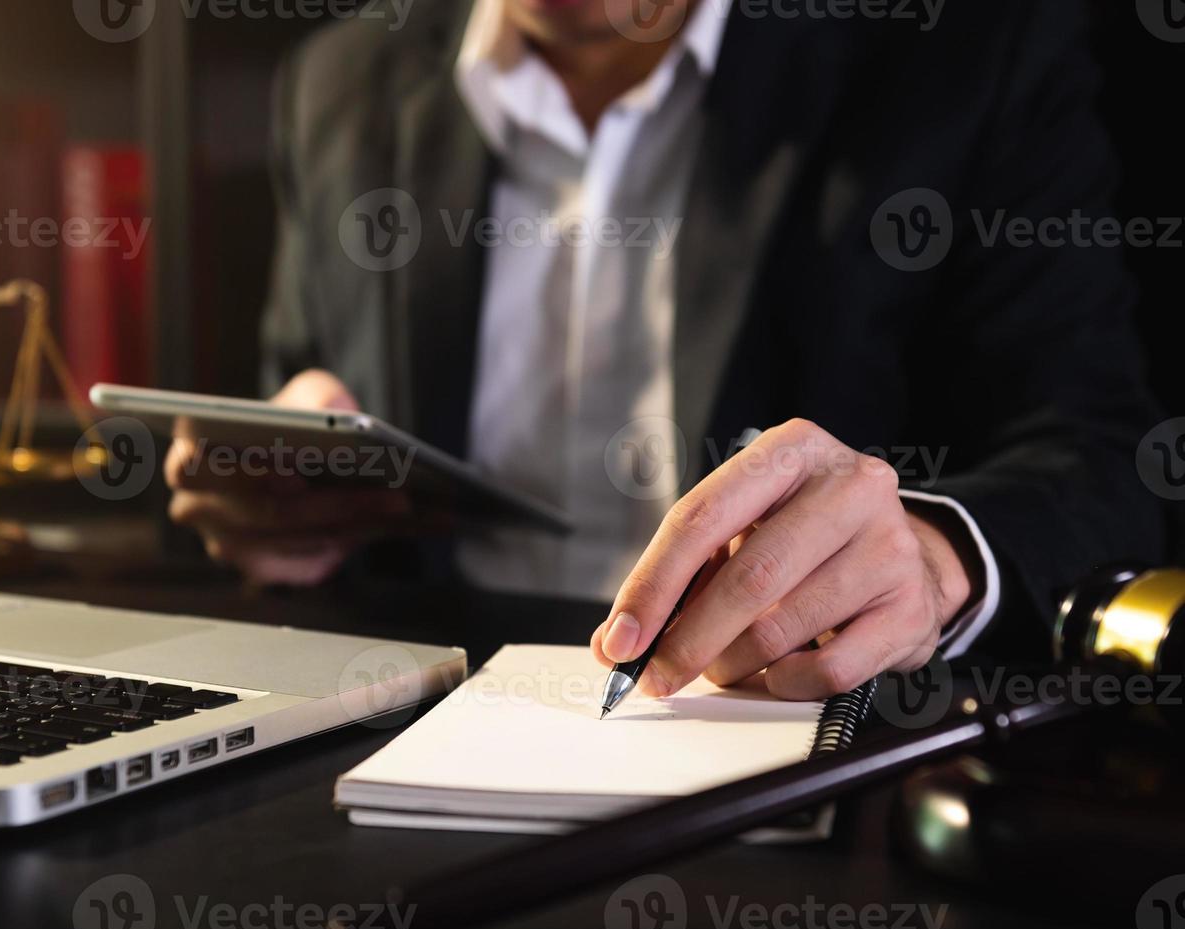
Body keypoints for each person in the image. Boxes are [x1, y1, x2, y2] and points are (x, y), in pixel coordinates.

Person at [167, 0, 1166, 700]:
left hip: (803, 755)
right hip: (399, 729)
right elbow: (298, 388)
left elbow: (1100, 451)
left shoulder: (966, 52)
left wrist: (933, 556)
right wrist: (280, 489)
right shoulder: (337, 79)